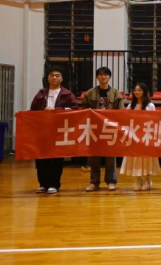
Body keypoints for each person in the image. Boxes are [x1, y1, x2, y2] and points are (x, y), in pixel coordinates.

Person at [30, 66, 78, 194]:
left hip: (59, 131)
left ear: (62, 78)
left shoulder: (68, 94)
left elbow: (74, 110)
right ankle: (42, 184)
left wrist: (56, 110)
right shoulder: (41, 94)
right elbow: (33, 111)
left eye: (57, 75)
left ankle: (54, 184)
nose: (54, 78)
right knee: (41, 158)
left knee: (56, 159)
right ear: (48, 78)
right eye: (52, 75)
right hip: (42, 131)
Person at [82, 67, 125, 192]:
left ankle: (111, 181)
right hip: (94, 128)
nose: (103, 77)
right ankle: (94, 182)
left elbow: (121, 112)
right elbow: (84, 110)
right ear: (97, 77)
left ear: (109, 77)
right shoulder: (90, 93)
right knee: (93, 156)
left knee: (110, 156)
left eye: (106, 75)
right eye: (100, 75)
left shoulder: (116, 93)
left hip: (110, 128)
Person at [120, 83, 160, 191]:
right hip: (134, 136)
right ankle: (138, 179)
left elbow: (154, 121)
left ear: (144, 91)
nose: (137, 92)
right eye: (135, 90)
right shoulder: (130, 106)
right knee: (135, 158)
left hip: (146, 135)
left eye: (139, 90)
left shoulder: (150, 106)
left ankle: (147, 179)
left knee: (146, 158)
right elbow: (126, 120)